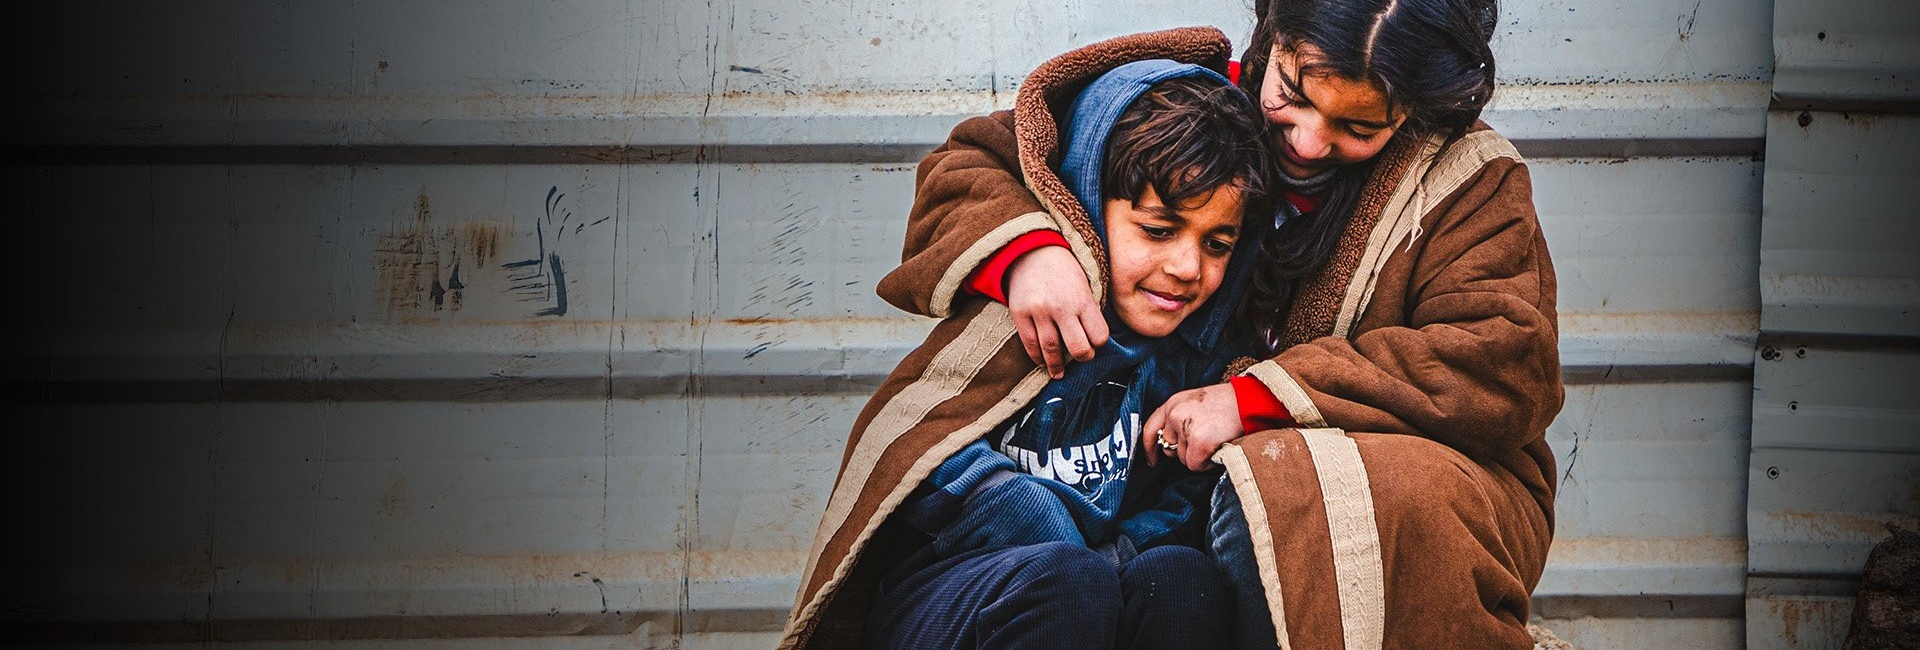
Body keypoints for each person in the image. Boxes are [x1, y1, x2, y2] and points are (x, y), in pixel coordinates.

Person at [790, 0, 1565, 646]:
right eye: (1294, 92)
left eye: (1358, 127)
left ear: (1421, 110)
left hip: (1312, 497)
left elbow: (1502, 359)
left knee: (1239, 525)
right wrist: (1031, 251)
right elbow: (975, 163)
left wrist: (1256, 399)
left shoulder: (1468, 185)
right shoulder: (1173, 112)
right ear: (1274, 37)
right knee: (1075, 587)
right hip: (1020, 560)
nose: (1306, 142)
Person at [779, 31, 1275, 650]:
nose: (1185, 266)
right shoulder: (1026, 309)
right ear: (1091, 205)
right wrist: (1064, 543)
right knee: (1066, 583)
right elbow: (928, 453)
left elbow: (1181, 501)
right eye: (1157, 229)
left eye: (1216, 243)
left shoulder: (1196, 368)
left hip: (1100, 589)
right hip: (951, 601)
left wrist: (1123, 556)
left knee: (1182, 578)